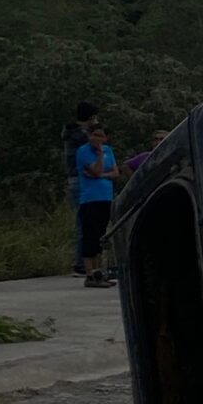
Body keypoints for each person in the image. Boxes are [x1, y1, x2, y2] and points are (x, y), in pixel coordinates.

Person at [75, 123, 118, 287]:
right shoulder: (83, 152)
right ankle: (90, 274)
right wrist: (99, 154)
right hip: (90, 198)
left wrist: (102, 175)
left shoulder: (109, 150)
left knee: (101, 236)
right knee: (90, 236)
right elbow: (95, 171)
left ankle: (100, 272)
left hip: (106, 197)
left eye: (101, 136)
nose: (97, 139)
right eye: (95, 135)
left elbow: (115, 173)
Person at [65, 101, 100, 274]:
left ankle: (85, 261)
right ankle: (81, 263)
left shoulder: (72, 134)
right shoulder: (80, 136)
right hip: (80, 181)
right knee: (84, 222)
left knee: (84, 222)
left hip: (76, 180)